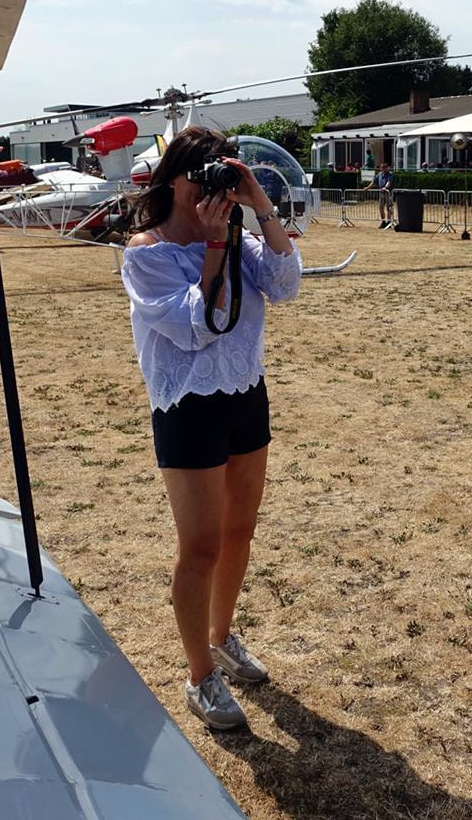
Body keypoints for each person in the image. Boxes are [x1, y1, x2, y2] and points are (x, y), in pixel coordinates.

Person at [120, 126, 302, 731]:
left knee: (239, 531)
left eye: (223, 174)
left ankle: (222, 637)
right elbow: (198, 325)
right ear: (174, 180)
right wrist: (216, 244)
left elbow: (286, 284)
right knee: (200, 547)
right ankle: (199, 675)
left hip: (246, 393)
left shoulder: (240, 235)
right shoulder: (147, 252)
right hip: (189, 405)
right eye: (203, 175)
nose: (213, 189)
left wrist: (260, 203)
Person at [362, 163, 395, 229]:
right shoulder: (379, 175)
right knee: (380, 208)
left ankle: (389, 222)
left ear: (387, 168)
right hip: (381, 193)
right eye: (382, 167)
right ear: (380, 168)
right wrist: (367, 188)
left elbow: (389, 182)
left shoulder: (390, 174)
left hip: (388, 193)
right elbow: (374, 182)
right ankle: (383, 222)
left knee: (389, 208)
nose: (383, 168)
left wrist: (385, 187)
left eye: (385, 167)